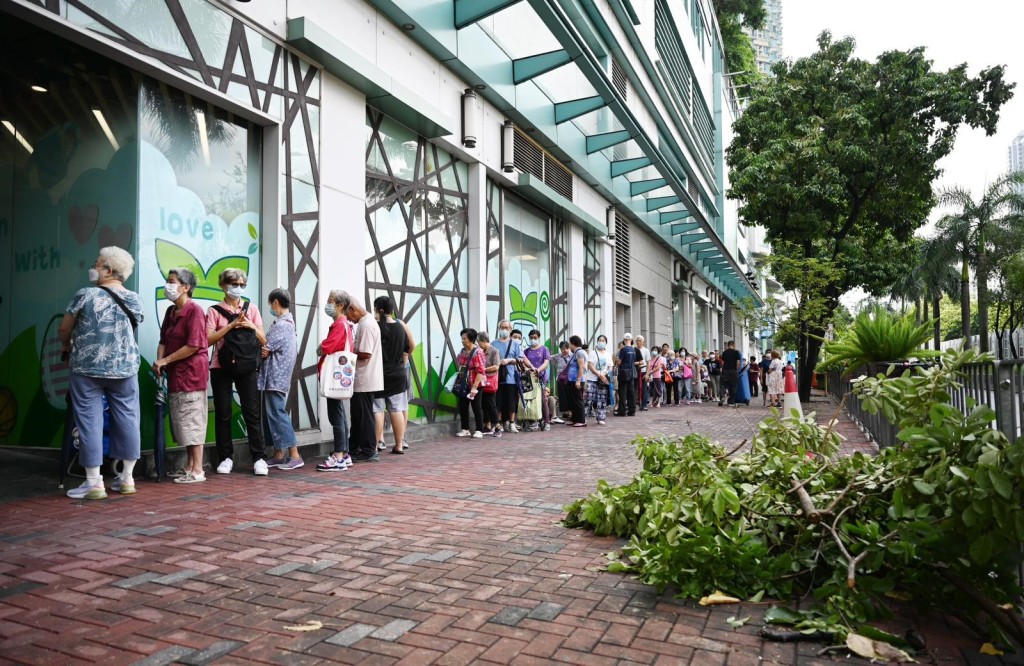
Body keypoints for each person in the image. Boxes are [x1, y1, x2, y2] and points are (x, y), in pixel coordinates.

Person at [59, 247, 144, 500]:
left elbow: (65, 328)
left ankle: (94, 482)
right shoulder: (135, 298)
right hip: (125, 367)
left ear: (108, 270)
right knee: (128, 418)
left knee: (89, 421)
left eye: (97, 264)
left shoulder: (85, 294)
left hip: (87, 367)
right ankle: (127, 478)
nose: (93, 268)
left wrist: (66, 344)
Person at [206, 269, 267, 476]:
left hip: (248, 366)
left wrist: (249, 324)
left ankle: (258, 458)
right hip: (220, 367)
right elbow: (208, 340)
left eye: (241, 285)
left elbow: (263, 339)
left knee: (252, 412)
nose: (238, 288)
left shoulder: (252, 309)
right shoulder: (214, 310)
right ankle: (225, 457)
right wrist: (231, 325)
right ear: (223, 285)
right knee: (223, 413)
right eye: (234, 284)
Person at [154, 268, 209, 484]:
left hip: (192, 376)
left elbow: (194, 345)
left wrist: (166, 360)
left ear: (186, 287)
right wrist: (160, 361)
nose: (168, 285)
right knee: (182, 421)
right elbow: (163, 341)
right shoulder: (171, 312)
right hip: (176, 375)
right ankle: (188, 466)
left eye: (172, 281)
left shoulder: (194, 311)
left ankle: (197, 470)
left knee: (193, 421)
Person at [260, 289, 301, 470]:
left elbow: (265, 346)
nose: (270, 307)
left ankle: (295, 455)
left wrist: (265, 347)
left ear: (275, 302)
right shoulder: (287, 323)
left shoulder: (283, 325)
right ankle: (278, 454)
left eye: (270, 304)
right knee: (273, 415)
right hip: (276, 377)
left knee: (277, 414)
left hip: (275, 377)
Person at [316, 290, 353, 472]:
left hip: (334, 378)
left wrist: (320, 347)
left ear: (340, 306)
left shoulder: (339, 325)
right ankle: (344, 454)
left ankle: (338, 456)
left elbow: (328, 347)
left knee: (336, 416)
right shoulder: (346, 325)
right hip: (340, 378)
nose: (327, 304)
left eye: (330, 301)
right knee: (340, 415)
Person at [372, 296, 411, 454]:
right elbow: (408, 347)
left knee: (378, 409)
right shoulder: (400, 327)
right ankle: (399, 445)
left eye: (375, 309)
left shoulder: (376, 327)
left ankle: (374, 446)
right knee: (396, 409)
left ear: (380, 310)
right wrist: (402, 362)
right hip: (397, 374)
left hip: (379, 375)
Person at [348, 296, 383, 461]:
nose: (348, 319)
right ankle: (355, 448)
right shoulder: (364, 322)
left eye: (348, 315)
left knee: (364, 416)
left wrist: (347, 353)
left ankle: (369, 450)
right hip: (363, 378)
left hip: (365, 378)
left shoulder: (367, 324)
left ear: (353, 309)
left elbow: (366, 354)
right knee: (358, 416)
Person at [492, 319, 531, 433]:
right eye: (502, 327)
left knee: (511, 400)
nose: (504, 330)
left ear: (510, 329)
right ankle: (498, 423)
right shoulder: (494, 343)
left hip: (511, 377)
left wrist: (509, 360)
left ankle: (512, 422)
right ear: (499, 329)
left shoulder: (515, 343)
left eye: (507, 328)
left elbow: (520, 359)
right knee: (498, 401)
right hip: (498, 376)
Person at [454, 328, 487, 438]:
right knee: (463, 405)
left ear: (471, 339)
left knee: (476, 406)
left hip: (476, 382)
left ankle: (479, 430)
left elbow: (481, 371)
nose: (462, 341)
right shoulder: (462, 351)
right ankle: (465, 429)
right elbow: (460, 365)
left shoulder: (478, 352)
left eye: (465, 338)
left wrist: (474, 387)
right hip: (464, 382)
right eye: (462, 338)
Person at [522, 329, 552, 431]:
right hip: (529, 379)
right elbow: (523, 363)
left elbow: (546, 362)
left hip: (541, 378)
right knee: (530, 399)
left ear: (539, 338)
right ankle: (532, 421)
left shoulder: (544, 349)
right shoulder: (526, 351)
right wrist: (527, 369)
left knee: (542, 399)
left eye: (535, 338)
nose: (533, 340)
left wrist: (538, 370)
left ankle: (546, 421)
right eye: (531, 338)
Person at [477, 331, 501, 436]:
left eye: (479, 342)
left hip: (490, 381)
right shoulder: (479, 351)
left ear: (484, 341)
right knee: (483, 404)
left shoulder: (494, 351)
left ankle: (497, 427)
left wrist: (483, 369)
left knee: (491, 404)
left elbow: (496, 366)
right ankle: (487, 425)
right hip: (481, 381)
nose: (478, 344)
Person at [585, 335, 612, 424]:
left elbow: (610, 367)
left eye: (603, 340)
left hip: (603, 380)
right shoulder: (593, 352)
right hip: (592, 378)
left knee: (602, 398)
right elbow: (590, 365)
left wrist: (604, 374)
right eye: (599, 340)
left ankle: (601, 418)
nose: (601, 342)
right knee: (588, 398)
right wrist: (598, 374)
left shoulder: (608, 354)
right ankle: (583, 416)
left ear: (606, 342)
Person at [566, 335, 588, 426]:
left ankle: (581, 420)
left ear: (573, 344)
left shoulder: (579, 353)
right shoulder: (576, 353)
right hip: (572, 380)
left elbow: (581, 367)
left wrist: (578, 380)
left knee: (578, 400)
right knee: (573, 400)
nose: (569, 346)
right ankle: (575, 419)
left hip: (577, 380)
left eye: (570, 344)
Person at [615, 333, 639, 416]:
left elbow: (619, 362)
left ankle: (622, 411)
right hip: (631, 372)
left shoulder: (623, 350)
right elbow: (634, 361)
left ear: (624, 340)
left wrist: (617, 362)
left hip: (623, 372)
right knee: (631, 392)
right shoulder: (633, 350)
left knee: (622, 392)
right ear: (631, 340)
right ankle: (632, 410)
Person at [551, 341, 571, 424]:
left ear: (569, 348)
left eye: (566, 348)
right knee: (562, 396)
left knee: (570, 395)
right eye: (562, 349)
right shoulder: (558, 356)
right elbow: (548, 358)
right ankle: (566, 412)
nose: (564, 350)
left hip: (570, 379)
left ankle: (570, 412)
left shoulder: (572, 356)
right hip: (561, 379)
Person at [719, 341, 741, 406]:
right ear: (733, 345)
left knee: (722, 385)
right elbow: (738, 363)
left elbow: (722, 363)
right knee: (733, 386)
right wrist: (736, 370)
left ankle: (722, 396)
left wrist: (722, 370)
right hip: (733, 371)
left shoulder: (724, 352)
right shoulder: (736, 352)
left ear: (727, 345)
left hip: (725, 371)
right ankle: (731, 401)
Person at [635, 334, 650, 410]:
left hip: (643, 371)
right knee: (634, 388)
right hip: (635, 371)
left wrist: (647, 374)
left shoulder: (646, 350)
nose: (638, 342)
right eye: (637, 340)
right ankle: (634, 404)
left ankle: (644, 405)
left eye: (640, 340)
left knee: (644, 388)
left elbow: (648, 363)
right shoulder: (633, 349)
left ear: (643, 342)